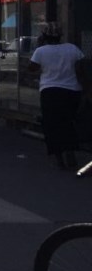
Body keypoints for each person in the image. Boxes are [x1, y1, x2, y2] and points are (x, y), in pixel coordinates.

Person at [28, 22, 86, 169]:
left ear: (44, 36)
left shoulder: (41, 51)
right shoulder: (72, 49)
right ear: (60, 36)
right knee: (69, 121)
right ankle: (70, 153)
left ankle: (59, 158)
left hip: (50, 91)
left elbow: (32, 68)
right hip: (72, 91)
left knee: (52, 124)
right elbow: (81, 68)